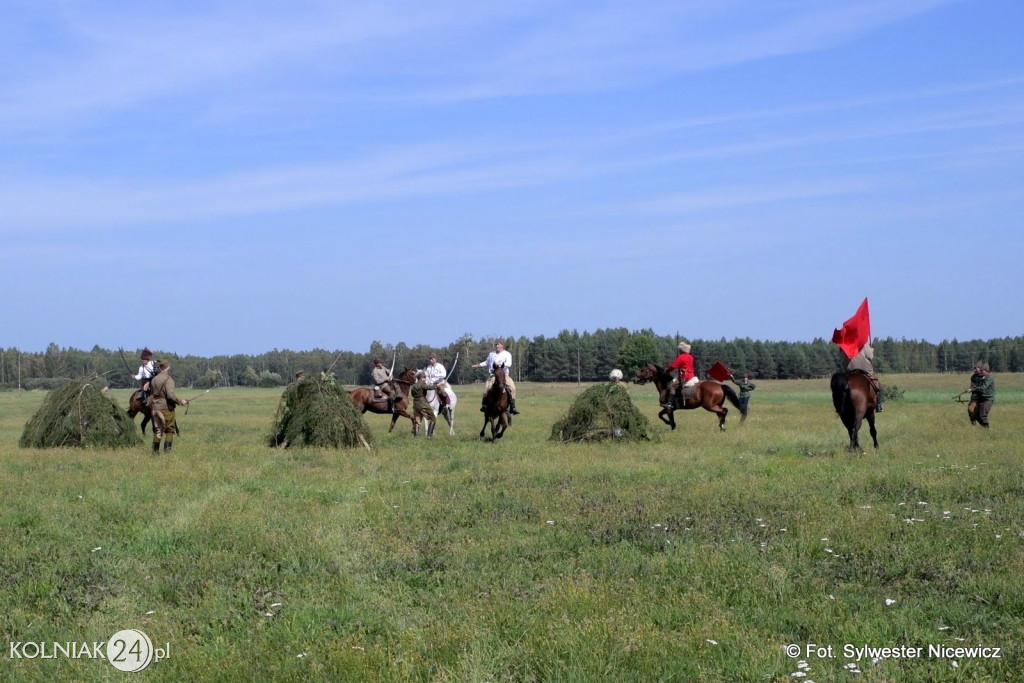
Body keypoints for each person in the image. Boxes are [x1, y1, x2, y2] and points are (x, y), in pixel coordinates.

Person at [149, 360, 188, 454]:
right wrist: (180, 401)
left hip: (155, 407)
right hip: (165, 408)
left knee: (158, 430)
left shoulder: (154, 379)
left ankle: (155, 452)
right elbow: (170, 395)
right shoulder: (168, 380)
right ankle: (167, 453)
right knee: (170, 430)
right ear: (168, 368)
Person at [472, 341, 519, 414]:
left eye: (498, 345)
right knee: (486, 390)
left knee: (512, 388)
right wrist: (478, 366)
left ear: (502, 346)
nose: (497, 346)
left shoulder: (507, 354)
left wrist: (500, 364)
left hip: (504, 376)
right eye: (496, 345)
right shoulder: (491, 354)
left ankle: (513, 407)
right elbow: (487, 362)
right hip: (493, 376)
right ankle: (484, 405)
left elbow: (509, 364)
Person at [843, 343, 884, 412]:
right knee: (876, 382)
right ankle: (879, 404)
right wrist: (872, 350)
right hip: (865, 368)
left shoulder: (845, 345)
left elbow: (842, 359)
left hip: (850, 369)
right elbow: (870, 356)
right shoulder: (863, 343)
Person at [664, 341, 698, 408]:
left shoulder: (681, 357)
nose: (679, 350)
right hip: (691, 376)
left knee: (672, 386)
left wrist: (667, 371)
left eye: (680, 349)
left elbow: (673, 366)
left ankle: (669, 403)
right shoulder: (691, 357)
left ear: (682, 350)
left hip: (684, 377)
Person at [966, 361, 995, 427]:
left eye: (976, 368)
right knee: (972, 412)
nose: (975, 370)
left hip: (987, 398)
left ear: (986, 370)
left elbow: (983, 387)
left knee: (982, 415)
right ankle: (979, 427)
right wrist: (971, 391)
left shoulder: (988, 377)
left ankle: (987, 428)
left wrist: (972, 389)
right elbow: (974, 387)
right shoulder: (975, 377)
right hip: (978, 397)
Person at [409, 370, 437, 437]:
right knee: (433, 418)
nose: (425, 379)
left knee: (417, 420)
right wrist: (437, 386)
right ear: (421, 378)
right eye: (424, 377)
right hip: (423, 404)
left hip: (416, 404)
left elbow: (412, 394)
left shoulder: (413, 386)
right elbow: (428, 387)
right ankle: (429, 436)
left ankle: (416, 436)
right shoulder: (422, 384)